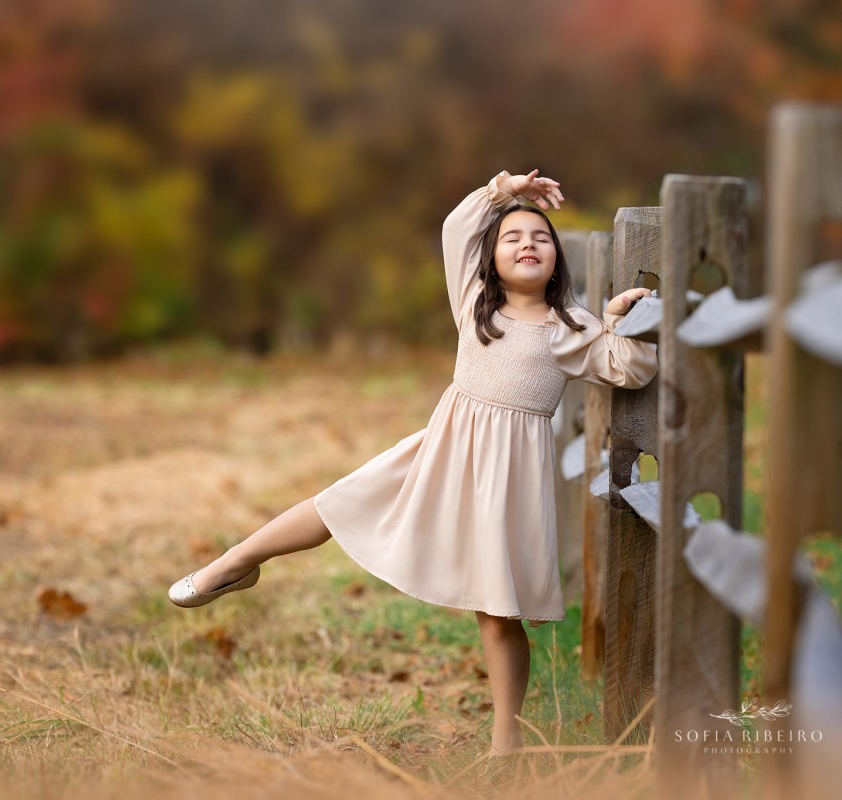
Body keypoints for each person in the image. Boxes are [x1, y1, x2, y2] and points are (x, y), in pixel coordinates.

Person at [169, 169, 658, 756]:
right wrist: (504, 191)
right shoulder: (475, 301)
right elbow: (457, 228)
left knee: (498, 610)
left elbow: (631, 370)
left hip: (508, 479)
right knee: (338, 503)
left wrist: (617, 320)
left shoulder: (570, 325)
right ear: (491, 260)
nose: (528, 243)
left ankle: (507, 746)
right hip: (442, 450)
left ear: (557, 259)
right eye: (512, 237)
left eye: (541, 238)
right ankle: (235, 562)